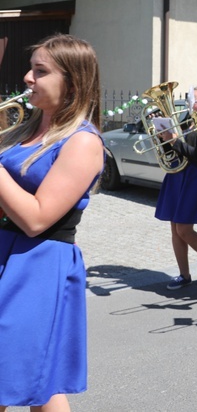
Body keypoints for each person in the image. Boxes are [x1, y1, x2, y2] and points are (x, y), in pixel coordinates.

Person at [0, 34, 104, 409]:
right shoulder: (26, 129)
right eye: (32, 69)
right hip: (9, 254)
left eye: (40, 71)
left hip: (37, 265)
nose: (28, 77)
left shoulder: (83, 142)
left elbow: (36, 218)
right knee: (39, 381)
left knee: (20, 376)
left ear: (72, 83)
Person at [155, 85, 197, 290]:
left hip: (195, 176)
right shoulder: (186, 120)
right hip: (178, 174)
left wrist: (174, 141)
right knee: (175, 228)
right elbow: (173, 149)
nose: (189, 102)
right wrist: (162, 137)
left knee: (184, 228)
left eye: (194, 99)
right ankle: (184, 275)